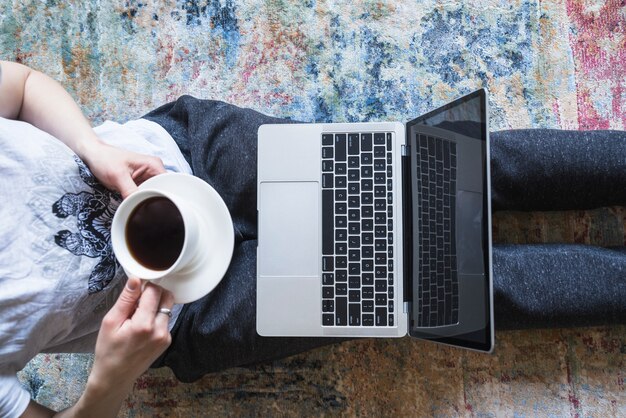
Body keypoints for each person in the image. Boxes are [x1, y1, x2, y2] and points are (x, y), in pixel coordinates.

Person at [0, 60, 624, 417]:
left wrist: (92, 146)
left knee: (448, 173)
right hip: (180, 315)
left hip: (181, 159)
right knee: (437, 283)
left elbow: (21, 88)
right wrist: (109, 379)